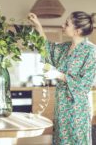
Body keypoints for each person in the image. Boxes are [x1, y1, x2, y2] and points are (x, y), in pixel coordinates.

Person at [28, 11, 96, 145]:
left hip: (77, 110)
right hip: (61, 107)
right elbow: (47, 49)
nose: (63, 25)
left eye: (67, 23)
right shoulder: (65, 47)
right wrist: (38, 26)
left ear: (77, 30)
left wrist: (59, 75)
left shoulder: (91, 51)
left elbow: (84, 85)